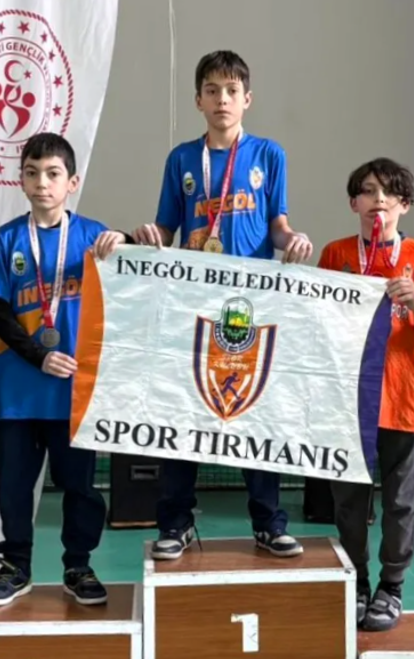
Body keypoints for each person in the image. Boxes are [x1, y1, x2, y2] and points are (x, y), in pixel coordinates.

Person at [112, 49, 314, 561]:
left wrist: (292, 239)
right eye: (212, 91)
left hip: (252, 306)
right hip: (194, 307)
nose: (222, 99)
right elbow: (167, 228)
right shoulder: (182, 160)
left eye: (231, 91)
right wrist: (148, 235)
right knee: (184, 415)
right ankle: (175, 523)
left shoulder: (268, 155)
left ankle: (268, 523)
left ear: (247, 99)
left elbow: (277, 225)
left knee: (255, 413)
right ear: (198, 100)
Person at [0, 132, 127, 607]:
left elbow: (130, 283)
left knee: (80, 486)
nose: (42, 183)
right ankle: (15, 565)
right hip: (17, 391)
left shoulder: (93, 237)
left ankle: (78, 565)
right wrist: (37, 355)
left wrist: (125, 243)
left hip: (74, 394)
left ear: (72, 182)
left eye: (53, 173)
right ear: (20, 180)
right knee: (14, 486)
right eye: (32, 173)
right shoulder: (6, 240)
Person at [316, 158, 414, 631]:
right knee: (349, 501)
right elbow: (318, 325)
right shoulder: (336, 254)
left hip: (402, 400)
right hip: (349, 404)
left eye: (390, 193)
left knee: (401, 502)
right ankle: (355, 581)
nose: (379, 200)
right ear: (353, 202)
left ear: (405, 205)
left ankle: (391, 586)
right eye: (368, 191)